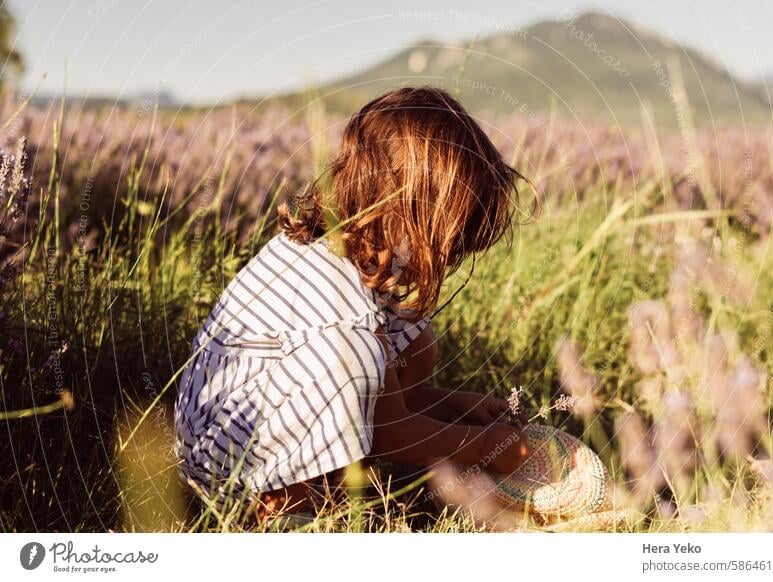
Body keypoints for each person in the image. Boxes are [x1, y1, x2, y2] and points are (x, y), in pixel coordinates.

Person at [173, 86, 533, 517]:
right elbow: (389, 431)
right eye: (447, 242)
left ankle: (330, 471)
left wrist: (451, 405)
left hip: (227, 416)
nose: (452, 256)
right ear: (401, 213)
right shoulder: (347, 325)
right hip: (230, 469)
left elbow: (382, 398)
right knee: (361, 356)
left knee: (415, 341)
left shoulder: (328, 247)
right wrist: (485, 447)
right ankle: (289, 507)